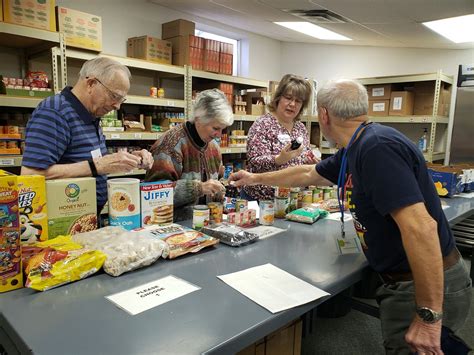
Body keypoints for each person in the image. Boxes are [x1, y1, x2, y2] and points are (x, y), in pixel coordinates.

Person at [230, 79, 472, 354]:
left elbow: (422, 228)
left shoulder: (377, 148)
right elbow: (309, 173)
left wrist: (429, 316)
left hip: (421, 286)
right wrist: (255, 176)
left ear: (324, 114)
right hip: (407, 281)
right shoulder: (358, 146)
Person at [21, 57, 153, 214]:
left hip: (84, 216)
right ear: (91, 84)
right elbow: (30, 175)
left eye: (121, 100)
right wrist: (97, 166)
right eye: (114, 96)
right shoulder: (55, 112)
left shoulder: (91, 115)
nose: (117, 106)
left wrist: (129, 159)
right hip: (61, 222)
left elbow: (88, 159)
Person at [145, 89, 233, 221]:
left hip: (206, 225)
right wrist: (198, 188)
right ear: (198, 120)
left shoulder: (214, 147)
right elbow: (154, 195)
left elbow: (217, 182)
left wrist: (221, 191)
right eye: (215, 128)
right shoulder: (170, 145)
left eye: (222, 129)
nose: (219, 135)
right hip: (174, 227)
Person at [242, 74, 318, 201]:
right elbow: (254, 161)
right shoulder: (263, 124)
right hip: (263, 201)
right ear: (278, 98)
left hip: (293, 199)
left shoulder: (300, 128)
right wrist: (278, 159)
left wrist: (310, 160)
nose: (292, 104)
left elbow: (303, 156)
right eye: (288, 98)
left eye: (298, 101)